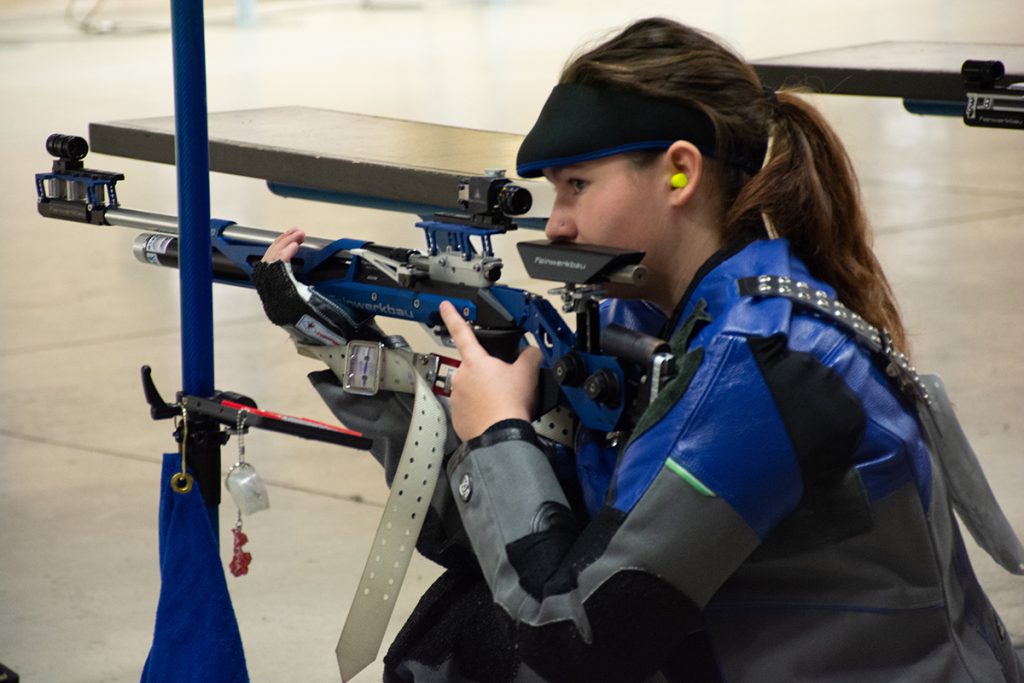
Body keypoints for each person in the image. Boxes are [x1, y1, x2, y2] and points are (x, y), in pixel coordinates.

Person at [255, 17, 1023, 682]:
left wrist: (498, 433)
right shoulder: (681, 320)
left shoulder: (758, 361)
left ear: (680, 172)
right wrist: (344, 345)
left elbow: (572, 636)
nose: (554, 223)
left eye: (576, 185)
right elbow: (494, 537)